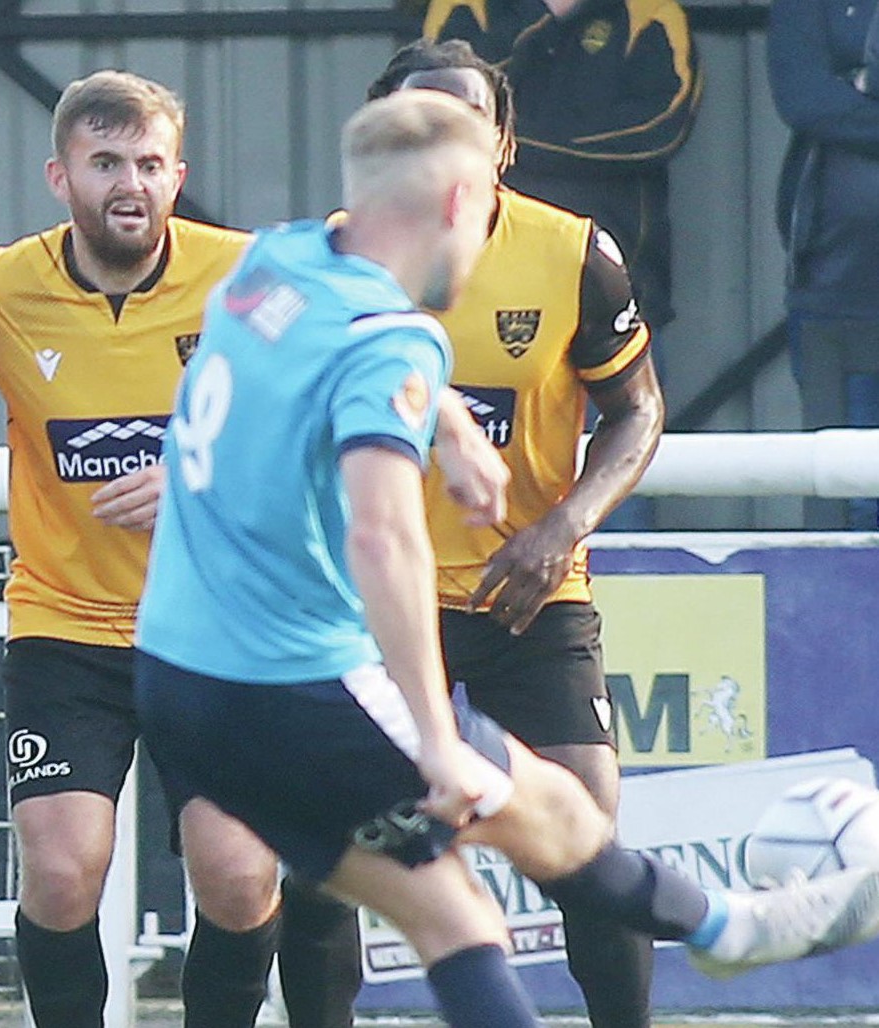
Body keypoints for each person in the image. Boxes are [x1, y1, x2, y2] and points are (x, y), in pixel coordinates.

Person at [135, 89, 879, 1028]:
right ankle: (729, 929)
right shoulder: (388, 340)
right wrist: (433, 739)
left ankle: (729, 927)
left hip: (177, 681)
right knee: (468, 904)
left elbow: (323, 357)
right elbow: (384, 536)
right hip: (294, 687)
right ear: (462, 201)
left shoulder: (275, 262)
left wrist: (447, 425)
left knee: (511, 854)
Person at [276, 40, 670, 1028]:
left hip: (524, 594)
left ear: (503, 146)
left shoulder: (573, 254)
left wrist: (561, 527)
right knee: (323, 858)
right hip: (363, 599)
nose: (442, 141)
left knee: (585, 835)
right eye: (421, 122)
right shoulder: (324, 261)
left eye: (466, 122)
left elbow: (637, 409)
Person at [0, 70, 287, 1027]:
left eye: (150, 164)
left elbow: (319, 424)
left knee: (240, 877)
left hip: (215, 628)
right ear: (60, 176)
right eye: (106, 163)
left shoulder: (247, 278)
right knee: (65, 869)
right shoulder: (4, 285)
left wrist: (199, 480)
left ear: (178, 175)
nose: (130, 184)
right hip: (67, 626)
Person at [422, 0, 700, 328]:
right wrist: (541, 15)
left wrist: (506, 144)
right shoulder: (464, 7)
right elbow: (444, 112)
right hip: (482, 274)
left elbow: (660, 131)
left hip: (610, 277)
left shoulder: (651, 13)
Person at [770, 0, 879, 528]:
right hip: (834, 281)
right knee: (841, 488)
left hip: (837, 277)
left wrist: (856, 88)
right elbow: (805, 99)